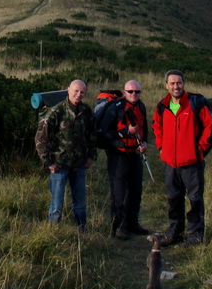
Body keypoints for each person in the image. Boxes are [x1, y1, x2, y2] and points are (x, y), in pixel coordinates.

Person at [152, 69, 212, 247]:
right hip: (170, 163)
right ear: (166, 85)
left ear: (183, 84)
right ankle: (175, 232)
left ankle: (195, 236)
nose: (176, 86)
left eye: (179, 83)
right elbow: (156, 125)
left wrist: (199, 151)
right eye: (172, 83)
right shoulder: (163, 106)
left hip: (192, 163)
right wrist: (161, 146)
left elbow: (210, 128)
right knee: (174, 198)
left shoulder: (196, 103)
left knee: (195, 199)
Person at [34, 79, 97, 231]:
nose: (78, 94)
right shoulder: (57, 111)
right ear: (68, 90)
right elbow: (40, 138)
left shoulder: (86, 111)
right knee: (56, 204)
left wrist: (91, 157)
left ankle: (82, 231)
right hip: (59, 165)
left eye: (82, 92)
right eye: (75, 91)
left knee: (80, 203)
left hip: (79, 165)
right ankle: (53, 233)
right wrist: (48, 162)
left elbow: (92, 136)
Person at [98, 79, 149, 240]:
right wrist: (125, 132)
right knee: (119, 193)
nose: (134, 94)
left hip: (134, 154)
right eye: (130, 91)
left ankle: (133, 223)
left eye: (137, 92)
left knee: (135, 191)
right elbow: (103, 133)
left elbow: (144, 128)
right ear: (124, 92)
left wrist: (145, 143)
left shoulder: (141, 107)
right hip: (117, 155)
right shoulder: (115, 109)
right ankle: (119, 226)